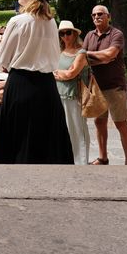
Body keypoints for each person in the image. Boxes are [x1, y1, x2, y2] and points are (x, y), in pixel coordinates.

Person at [0, 0, 72, 164]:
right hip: (47, 86)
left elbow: (3, 60)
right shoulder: (51, 22)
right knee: (45, 138)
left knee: (17, 137)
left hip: (21, 83)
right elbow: (55, 55)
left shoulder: (18, 21)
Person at [83, 5, 127, 165]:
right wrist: (101, 57)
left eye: (100, 14)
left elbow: (111, 54)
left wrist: (88, 54)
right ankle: (103, 157)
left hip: (115, 86)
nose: (97, 17)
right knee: (99, 122)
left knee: (120, 122)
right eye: (94, 15)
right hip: (96, 87)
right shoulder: (89, 35)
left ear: (108, 16)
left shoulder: (116, 34)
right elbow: (81, 58)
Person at [54, 20, 91, 165]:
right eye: (62, 33)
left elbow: (72, 74)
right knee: (63, 130)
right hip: (59, 95)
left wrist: (58, 73)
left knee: (78, 130)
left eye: (68, 32)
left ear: (74, 34)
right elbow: (55, 71)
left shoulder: (81, 52)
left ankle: (81, 162)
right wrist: (62, 73)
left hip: (74, 95)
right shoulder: (59, 52)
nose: (65, 36)